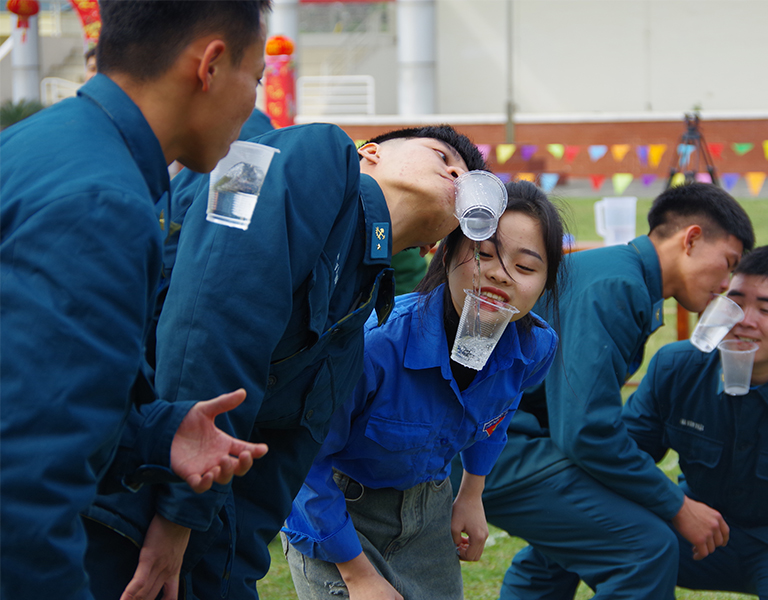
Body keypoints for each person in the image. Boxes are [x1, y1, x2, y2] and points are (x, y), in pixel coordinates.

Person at [85, 124, 487, 600]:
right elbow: (212, 315)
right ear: (370, 153)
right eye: (442, 156)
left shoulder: (358, 329)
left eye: (468, 175)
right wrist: (179, 515)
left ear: (432, 246)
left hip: (194, 539)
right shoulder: (304, 154)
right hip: (108, 475)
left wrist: (224, 575)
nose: (458, 173)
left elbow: (273, 476)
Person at [0, 2, 272, 599]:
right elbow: (28, 482)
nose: (254, 106)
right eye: (256, 81)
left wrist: (153, 434)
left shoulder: (41, 144)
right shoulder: (104, 204)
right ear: (210, 65)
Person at [452, 182, 755, 599]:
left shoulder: (626, 277)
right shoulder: (618, 285)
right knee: (645, 549)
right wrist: (677, 505)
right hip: (484, 442)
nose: (726, 283)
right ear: (692, 239)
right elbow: (586, 431)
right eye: (728, 263)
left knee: (561, 553)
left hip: (505, 436)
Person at [282, 181, 564, 600]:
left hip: (430, 509)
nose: (499, 275)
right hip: (337, 512)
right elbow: (303, 462)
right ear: (447, 252)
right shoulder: (375, 345)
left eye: (525, 268)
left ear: (544, 283)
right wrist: (357, 574)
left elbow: (497, 415)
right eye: (484, 254)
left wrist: (472, 492)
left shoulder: (534, 347)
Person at [622, 244, 768, 599]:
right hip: (691, 528)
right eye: (734, 303)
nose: (744, 320)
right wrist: (675, 506)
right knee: (584, 530)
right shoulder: (677, 366)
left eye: (766, 309)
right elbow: (623, 455)